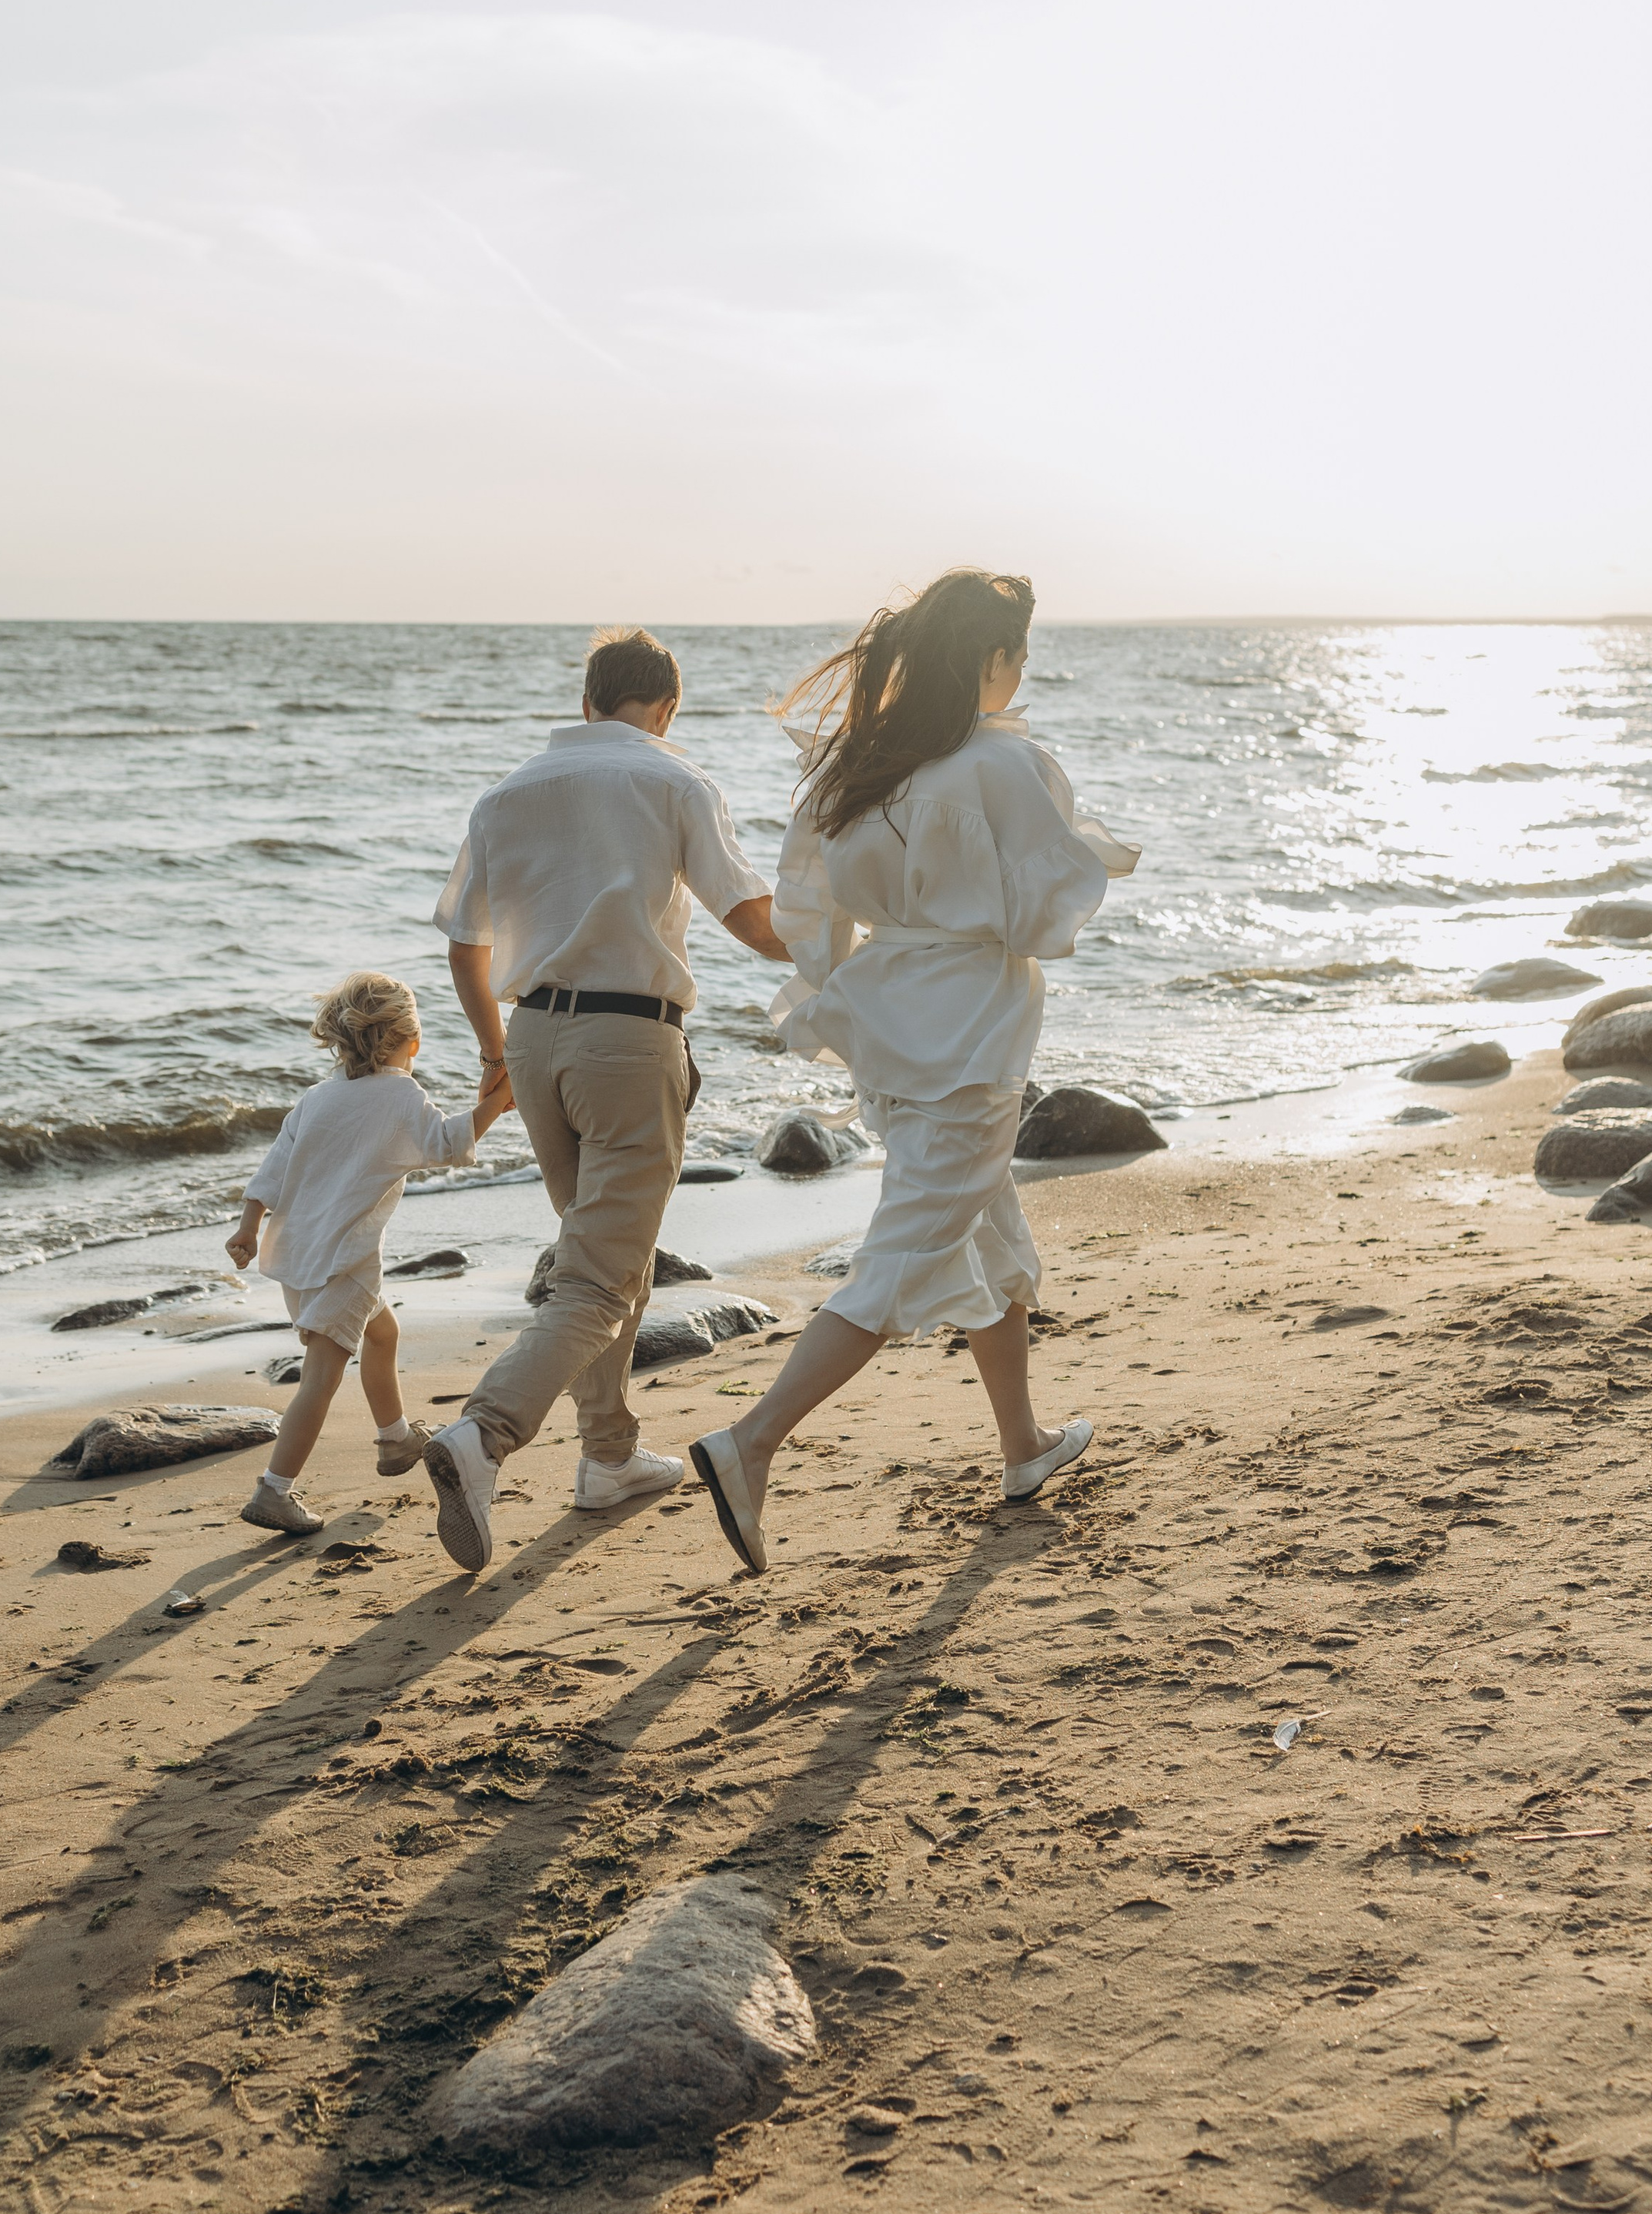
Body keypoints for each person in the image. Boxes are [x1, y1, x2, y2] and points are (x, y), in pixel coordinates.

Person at [687, 567, 1139, 1574]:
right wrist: (1083, 853)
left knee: (987, 1230)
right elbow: (1042, 916)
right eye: (1019, 655)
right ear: (991, 657)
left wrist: (871, 973)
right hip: (969, 1029)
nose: (1021, 674)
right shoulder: (1002, 764)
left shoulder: (861, 766)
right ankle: (750, 1442)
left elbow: (808, 917)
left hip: (891, 1022)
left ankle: (1022, 1445)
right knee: (904, 1254)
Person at [421, 625, 791, 1573]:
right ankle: (484, 1434)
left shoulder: (507, 794)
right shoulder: (674, 779)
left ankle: (609, 1456)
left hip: (535, 1040)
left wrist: (495, 1054)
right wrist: (864, 939)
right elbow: (753, 924)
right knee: (599, 1276)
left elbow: (464, 944)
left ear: (586, 701)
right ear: (666, 708)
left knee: (598, 1258)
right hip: (629, 1040)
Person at [225, 972, 502, 1536]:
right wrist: (498, 1101)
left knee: (382, 1333)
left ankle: (395, 1438)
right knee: (319, 1379)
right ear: (412, 1042)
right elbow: (448, 1143)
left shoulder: (317, 1098)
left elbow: (271, 1170)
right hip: (344, 1262)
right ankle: (274, 1490)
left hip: (299, 1256)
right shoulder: (400, 1094)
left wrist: (248, 1229)